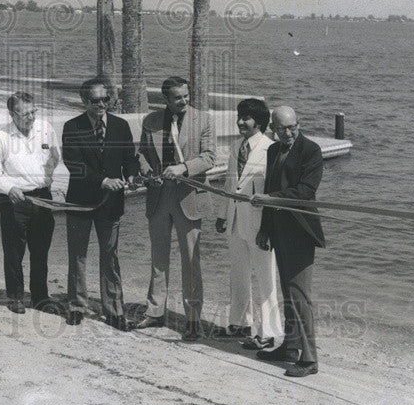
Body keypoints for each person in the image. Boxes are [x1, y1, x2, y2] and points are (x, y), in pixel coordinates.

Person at [136, 76, 216, 341]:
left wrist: (183, 168)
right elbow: (142, 154)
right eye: (177, 97)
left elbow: (209, 157)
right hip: (158, 197)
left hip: (189, 197)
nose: (183, 101)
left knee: (191, 262)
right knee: (158, 259)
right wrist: (148, 172)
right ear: (166, 99)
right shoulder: (151, 121)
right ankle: (155, 311)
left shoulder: (203, 120)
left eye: (186, 95)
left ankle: (193, 319)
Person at [252, 105, 325, 377]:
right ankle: (291, 347)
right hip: (278, 229)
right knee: (288, 292)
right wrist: (264, 229)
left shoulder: (311, 151)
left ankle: (309, 360)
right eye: (282, 128)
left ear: (298, 123)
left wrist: (271, 199)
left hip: (301, 230)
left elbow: (306, 191)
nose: (288, 132)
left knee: (300, 295)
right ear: (273, 128)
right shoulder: (272, 150)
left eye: (292, 126)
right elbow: (270, 189)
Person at [61, 77, 138, 330]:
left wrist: (133, 175)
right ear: (85, 101)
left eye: (106, 99)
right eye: (95, 101)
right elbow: (74, 165)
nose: (102, 105)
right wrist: (103, 180)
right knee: (78, 255)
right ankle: (76, 305)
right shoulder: (72, 127)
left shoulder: (121, 126)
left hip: (111, 204)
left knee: (110, 256)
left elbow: (129, 157)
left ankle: (114, 309)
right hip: (80, 203)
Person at [215, 97, 284, 349]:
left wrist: (269, 228)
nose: (241, 122)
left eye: (246, 118)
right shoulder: (236, 146)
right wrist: (223, 215)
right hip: (235, 222)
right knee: (239, 275)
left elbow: (274, 191)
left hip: (259, 226)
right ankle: (240, 323)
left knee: (266, 279)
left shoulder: (271, 149)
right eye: (239, 117)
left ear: (261, 123)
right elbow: (229, 184)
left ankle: (269, 332)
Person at [0, 91, 64, 315]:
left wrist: (45, 181)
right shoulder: (0, 137)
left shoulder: (45, 128)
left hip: (41, 198)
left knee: (40, 250)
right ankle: (16, 297)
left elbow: (55, 157)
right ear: (12, 114)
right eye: (25, 114)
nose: (31, 117)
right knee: (14, 252)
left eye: (33, 111)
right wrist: (10, 188)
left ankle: (40, 297)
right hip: (13, 200)